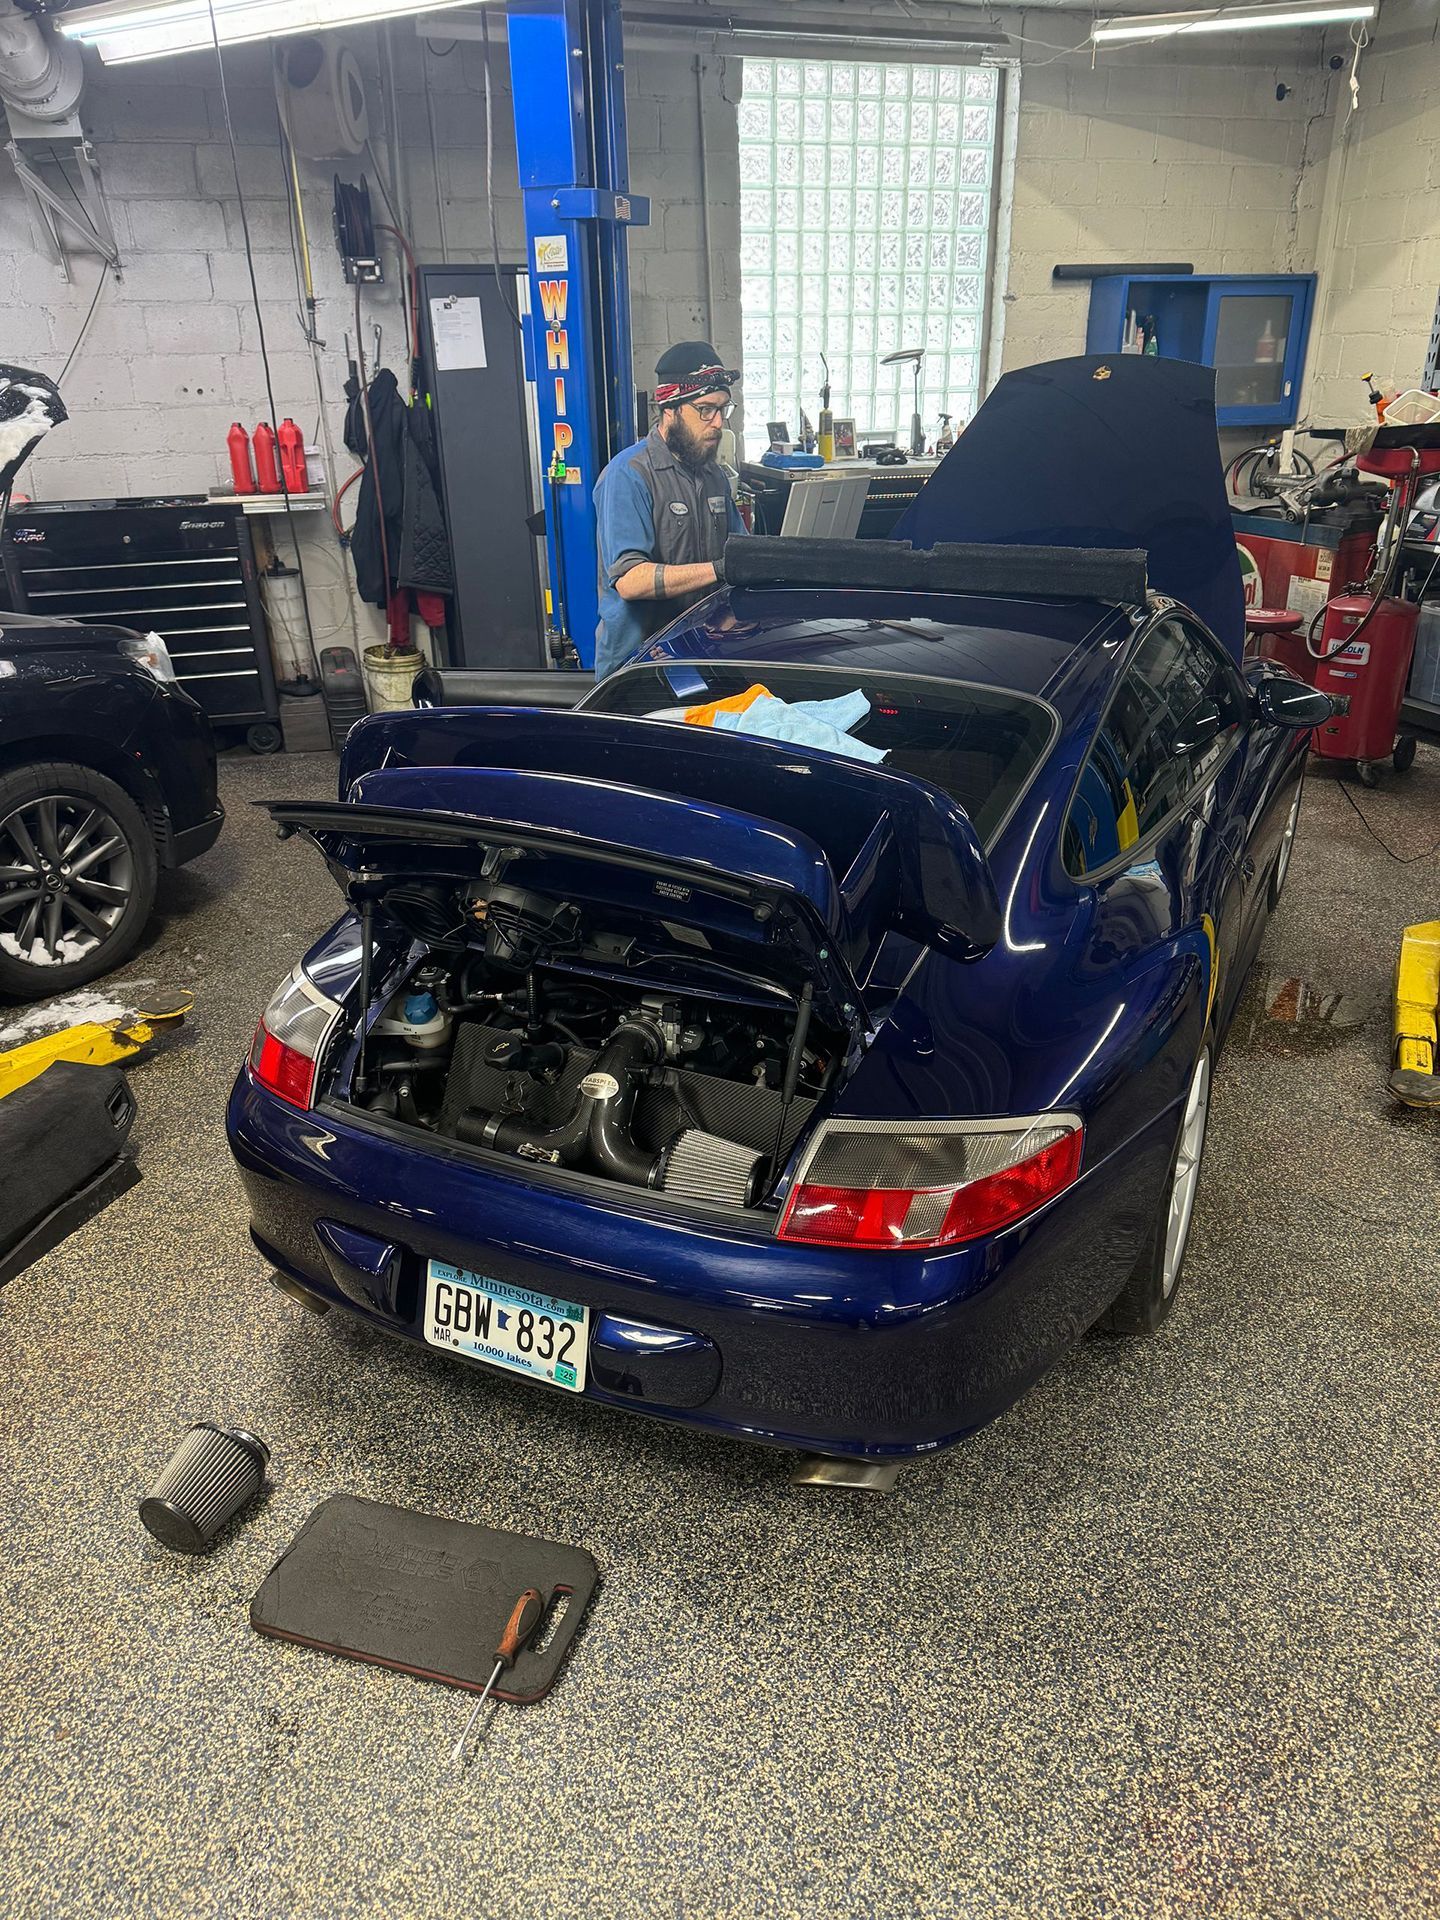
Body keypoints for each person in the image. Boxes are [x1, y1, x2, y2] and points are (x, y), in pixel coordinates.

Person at [592, 341, 747, 679]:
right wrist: (721, 569)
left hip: (699, 651)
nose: (718, 423)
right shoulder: (629, 475)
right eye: (705, 409)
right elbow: (631, 581)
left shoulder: (714, 475)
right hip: (637, 666)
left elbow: (742, 552)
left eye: (723, 409)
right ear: (670, 408)